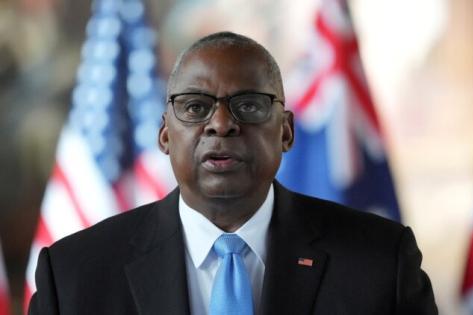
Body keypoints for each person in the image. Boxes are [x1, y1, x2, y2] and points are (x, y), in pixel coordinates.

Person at [29, 32, 437, 315]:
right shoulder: (74, 276)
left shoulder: (380, 262)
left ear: (287, 131)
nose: (221, 124)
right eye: (194, 106)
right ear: (165, 134)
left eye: (250, 105)